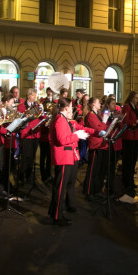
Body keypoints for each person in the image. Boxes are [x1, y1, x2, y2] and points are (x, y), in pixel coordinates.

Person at [48, 97, 89, 226]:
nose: (72, 109)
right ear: (66, 108)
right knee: (60, 187)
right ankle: (57, 216)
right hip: (63, 157)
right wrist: (77, 136)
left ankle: (55, 212)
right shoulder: (60, 120)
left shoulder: (62, 119)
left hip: (66, 156)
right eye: (71, 107)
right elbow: (62, 139)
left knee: (62, 186)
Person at [83, 96, 109, 199]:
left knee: (99, 170)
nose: (100, 104)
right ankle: (89, 192)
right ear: (93, 104)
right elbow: (98, 130)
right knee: (93, 170)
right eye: (98, 102)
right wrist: (104, 122)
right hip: (95, 145)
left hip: (102, 145)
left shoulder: (97, 114)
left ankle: (97, 190)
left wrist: (104, 123)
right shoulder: (90, 115)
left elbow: (104, 128)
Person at [120, 91, 138, 204]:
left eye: (137, 98)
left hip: (136, 136)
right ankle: (126, 181)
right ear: (131, 98)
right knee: (128, 159)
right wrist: (135, 122)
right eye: (136, 98)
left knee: (133, 159)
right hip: (129, 136)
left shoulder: (135, 107)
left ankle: (131, 179)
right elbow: (125, 120)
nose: (137, 100)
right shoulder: (127, 107)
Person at [17, 89, 42, 186]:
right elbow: (21, 118)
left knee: (32, 157)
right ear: (28, 96)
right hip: (27, 134)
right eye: (33, 95)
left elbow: (40, 117)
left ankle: (28, 176)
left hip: (35, 133)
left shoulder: (37, 105)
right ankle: (21, 175)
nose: (35, 97)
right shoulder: (22, 106)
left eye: (35, 95)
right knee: (26, 156)